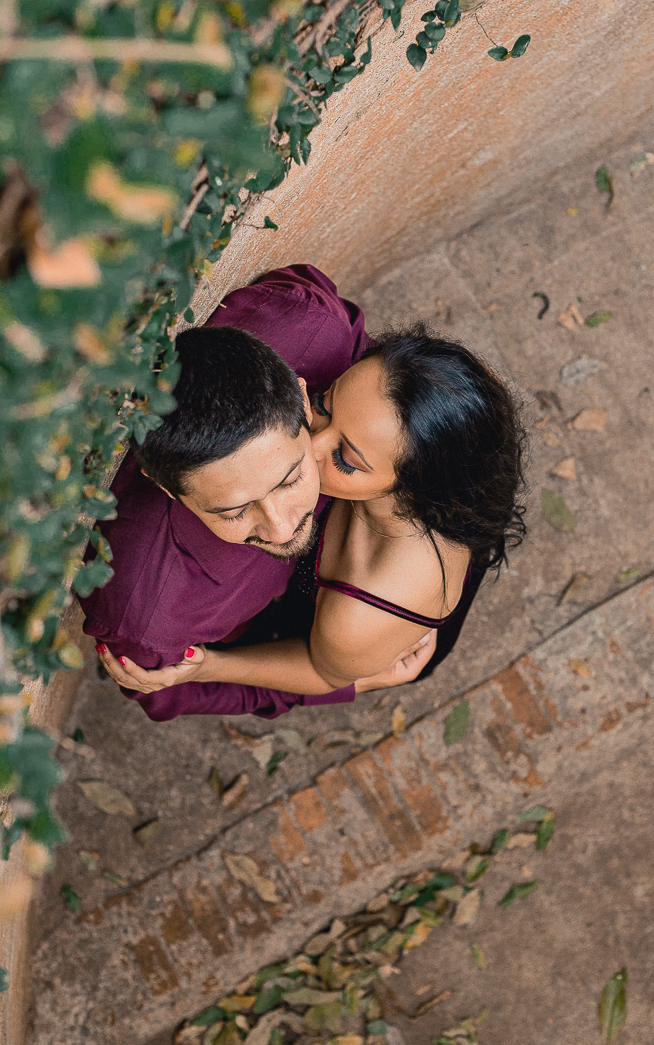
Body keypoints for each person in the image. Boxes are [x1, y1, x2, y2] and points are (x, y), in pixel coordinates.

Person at [80, 263, 435, 723]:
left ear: (306, 403)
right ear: (166, 489)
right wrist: (357, 682)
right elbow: (177, 693)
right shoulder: (148, 618)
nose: (282, 526)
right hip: (284, 636)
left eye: (291, 478)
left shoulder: (309, 327)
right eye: (235, 510)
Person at [97, 326, 527, 700]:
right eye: (323, 406)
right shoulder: (402, 412)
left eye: (345, 459)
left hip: (351, 646)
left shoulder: (367, 610)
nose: (311, 447)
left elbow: (323, 672)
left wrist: (209, 666)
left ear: (412, 489)